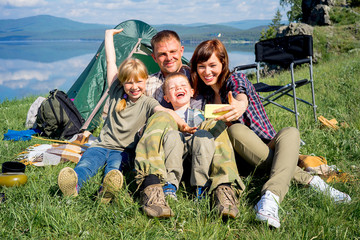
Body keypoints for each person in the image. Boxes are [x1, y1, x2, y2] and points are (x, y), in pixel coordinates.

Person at [190, 39, 351, 228]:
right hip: (240, 159)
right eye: (202, 66)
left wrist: (240, 105)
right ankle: (312, 183)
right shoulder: (205, 97)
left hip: (267, 145)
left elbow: (241, 94)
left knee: (291, 132)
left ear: (223, 63)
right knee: (235, 129)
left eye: (212, 65)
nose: (207, 72)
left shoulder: (235, 80)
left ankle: (269, 199)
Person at [57, 29, 195, 207]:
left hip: (124, 151)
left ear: (146, 81)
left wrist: (182, 124)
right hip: (101, 145)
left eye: (139, 82)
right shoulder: (116, 93)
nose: (134, 86)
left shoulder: (147, 102)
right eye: (129, 82)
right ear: (122, 82)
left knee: (114, 170)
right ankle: (73, 187)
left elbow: (165, 111)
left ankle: (105, 193)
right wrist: (108, 36)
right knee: (86, 164)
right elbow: (110, 61)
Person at [135, 30, 243, 219]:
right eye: (162, 54)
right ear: (154, 57)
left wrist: (240, 103)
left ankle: (223, 189)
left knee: (211, 121)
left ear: (181, 50)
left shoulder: (198, 74)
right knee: (160, 115)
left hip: (201, 147)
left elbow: (224, 79)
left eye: (173, 52)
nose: (169, 58)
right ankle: (151, 187)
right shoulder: (148, 83)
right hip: (165, 148)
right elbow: (121, 87)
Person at [161, 72, 244, 209]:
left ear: (192, 92)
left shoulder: (199, 113)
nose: (178, 89)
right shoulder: (168, 114)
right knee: (172, 136)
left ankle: (201, 187)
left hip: (198, 155)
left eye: (183, 85)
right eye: (172, 88)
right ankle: (170, 185)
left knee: (203, 135)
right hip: (176, 153)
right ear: (167, 98)